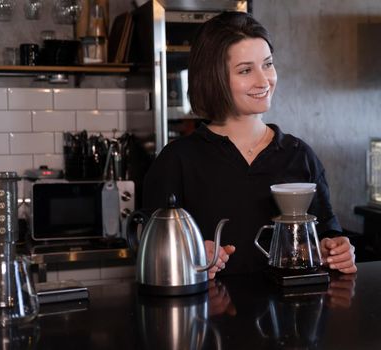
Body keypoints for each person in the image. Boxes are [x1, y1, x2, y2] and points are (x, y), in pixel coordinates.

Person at [143, 11, 357, 279]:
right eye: (245, 70)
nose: (263, 80)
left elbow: (327, 232)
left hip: (289, 317)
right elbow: (150, 246)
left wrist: (335, 249)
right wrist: (190, 254)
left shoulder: (299, 155)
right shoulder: (177, 160)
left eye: (267, 64)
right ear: (214, 78)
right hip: (208, 317)